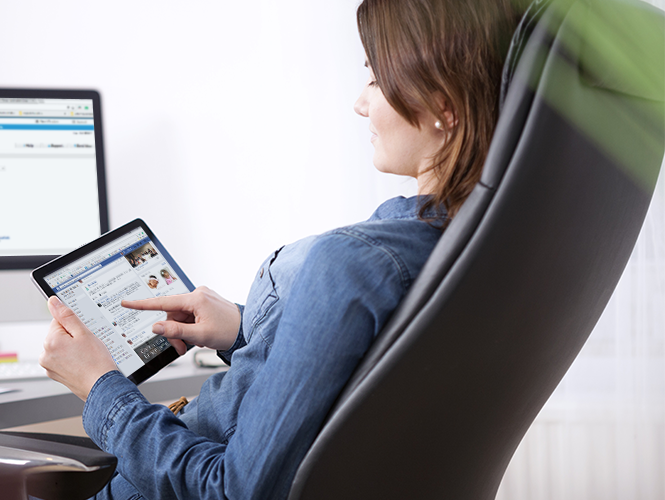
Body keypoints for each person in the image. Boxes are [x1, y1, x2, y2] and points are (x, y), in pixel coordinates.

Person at [38, 0, 523, 498]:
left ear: (443, 103)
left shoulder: (358, 265)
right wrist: (246, 328)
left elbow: (233, 491)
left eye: (375, 79)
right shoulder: (482, 247)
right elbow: (362, 371)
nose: (360, 104)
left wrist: (100, 388)